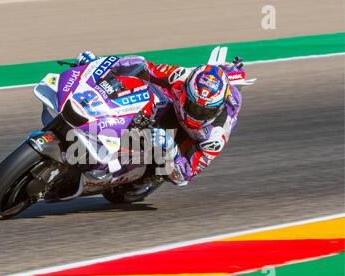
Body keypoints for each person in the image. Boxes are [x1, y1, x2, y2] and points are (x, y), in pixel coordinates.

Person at [75, 51, 244, 186]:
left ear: (217, 109)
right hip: (172, 107)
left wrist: (172, 150)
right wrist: (100, 64)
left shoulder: (216, 137)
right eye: (194, 106)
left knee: (167, 155)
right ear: (186, 92)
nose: (197, 114)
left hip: (190, 139)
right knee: (143, 87)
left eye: (203, 111)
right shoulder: (181, 77)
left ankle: (137, 170)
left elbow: (184, 177)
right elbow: (144, 67)